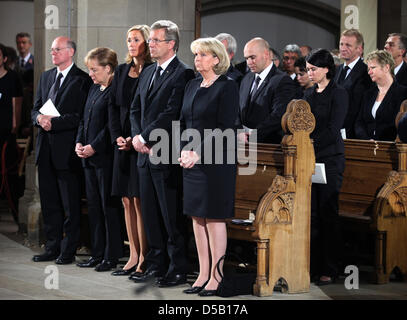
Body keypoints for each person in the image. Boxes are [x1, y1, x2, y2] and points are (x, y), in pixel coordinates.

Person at [129, 20, 195, 287]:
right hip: (144, 153)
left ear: (171, 44)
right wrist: (137, 136)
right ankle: (156, 263)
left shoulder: (183, 73)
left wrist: (146, 136)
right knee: (150, 213)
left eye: (155, 40)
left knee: (171, 214)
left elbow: (172, 112)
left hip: (166, 152)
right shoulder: (147, 72)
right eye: (150, 40)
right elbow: (135, 109)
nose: (150, 45)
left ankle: (177, 267)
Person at [179, 37, 238, 297]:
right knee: (197, 217)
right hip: (191, 161)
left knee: (213, 217)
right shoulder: (192, 85)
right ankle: (202, 274)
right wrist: (182, 150)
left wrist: (198, 153)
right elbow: (184, 122)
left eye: (203, 55)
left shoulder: (227, 87)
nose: (197, 59)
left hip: (216, 162)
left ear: (216, 58)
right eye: (196, 55)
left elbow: (225, 128)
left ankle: (217, 276)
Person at [31, 36, 91, 264]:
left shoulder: (82, 80)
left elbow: (80, 117)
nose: (53, 53)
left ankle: (68, 249)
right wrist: (39, 119)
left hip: (66, 152)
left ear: (71, 52)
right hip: (45, 149)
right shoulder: (46, 77)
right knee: (49, 202)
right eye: (52, 49)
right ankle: (52, 246)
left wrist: (53, 123)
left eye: (57, 49)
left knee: (70, 204)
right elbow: (34, 109)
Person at [108, 25, 152, 277]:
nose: (131, 43)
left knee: (139, 201)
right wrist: (117, 137)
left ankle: (145, 256)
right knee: (126, 200)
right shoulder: (123, 70)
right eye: (128, 39)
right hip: (122, 144)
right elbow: (113, 107)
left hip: (141, 142)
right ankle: (133, 253)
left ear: (146, 43)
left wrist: (135, 137)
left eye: (136, 39)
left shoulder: (150, 71)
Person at [75, 47, 123, 271]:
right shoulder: (94, 89)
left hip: (105, 158)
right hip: (88, 157)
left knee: (108, 207)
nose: (91, 74)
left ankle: (111, 255)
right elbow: (85, 119)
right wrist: (79, 142)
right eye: (89, 69)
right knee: (93, 207)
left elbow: (111, 126)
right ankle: (97, 252)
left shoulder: (114, 91)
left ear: (108, 68)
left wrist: (94, 146)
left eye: (94, 70)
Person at [304, 48, 349, 286]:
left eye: (313, 69)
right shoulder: (309, 95)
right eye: (308, 70)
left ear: (326, 69)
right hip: (309, 159)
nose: (309, 73)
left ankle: (330, 268)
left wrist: (310, 144)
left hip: (329, 159)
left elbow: (333, 129)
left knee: (327, 213)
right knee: (311, 216)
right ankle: (312, 265)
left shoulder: (338, 93)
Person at [238, 37, 299, 144]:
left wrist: (254, 135)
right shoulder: (246, 78)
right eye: (246, 58)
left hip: (268, 144)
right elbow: (238, 108)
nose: (249, 62)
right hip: (242, 144)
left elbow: (279, 116)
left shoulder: (283, 80)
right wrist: (239, 132)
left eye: (252, 57)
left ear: (266, 54)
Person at [354, 50, 407, 141]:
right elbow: (359, 123)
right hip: (367, 147)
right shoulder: (368, 94)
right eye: (368, 69)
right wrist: (367, 140)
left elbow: (401, 125)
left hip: (391, 148)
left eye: (373, 68)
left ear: (386, 67)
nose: (369, 72)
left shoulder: (403, 93)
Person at [334, 29, 372, 139]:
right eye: (341, 44)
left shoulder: (366, 72)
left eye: (348, 45)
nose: (343, 48)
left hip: (354, 134)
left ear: (359, 49)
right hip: (336, 132)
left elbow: (360, 107)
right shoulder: (337, 70)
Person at [0, 43, 23, 223]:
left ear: (4, 59)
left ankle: (15, 213)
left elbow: (17, 103)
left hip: (6, 131)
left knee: (8, 172)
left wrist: (15, 127)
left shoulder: (12, 77)